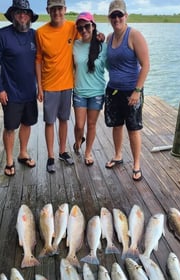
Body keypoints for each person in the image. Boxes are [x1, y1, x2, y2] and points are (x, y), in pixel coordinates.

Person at [0, 0, 38, 176]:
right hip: (10, 92)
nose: (23, 16)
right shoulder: (1, 35)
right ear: (13, 15)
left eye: (26, 13)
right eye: (19, 12)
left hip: (30, 91)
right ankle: (9, 160)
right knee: (10, 127)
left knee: (27, 123)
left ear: (30, 16)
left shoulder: (35, 35)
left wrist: (96, 37)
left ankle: (23, 153)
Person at [105, 0, 150, 181]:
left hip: (132, 91)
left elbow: (146, 65)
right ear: (109, 18)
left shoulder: (134, 36)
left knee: (133, 128)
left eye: (120, 15)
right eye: (113, 16)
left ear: (126, 16)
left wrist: (137, 91)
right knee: (116, 125)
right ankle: (118, 155)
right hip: (113, 90)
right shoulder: (109, 38)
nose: (117, 19)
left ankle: (136, 164)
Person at [35, 0, 78, 173]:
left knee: (64, 119)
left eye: (60, 9)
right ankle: (50, 156)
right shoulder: (40, 32)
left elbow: (88, 36)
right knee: (49, 121)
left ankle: (62, 152)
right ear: (48, 10)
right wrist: (39, 86)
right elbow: (37, 60)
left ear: (65, 10)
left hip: (67, 84)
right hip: (49, 85)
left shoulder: (73, 27)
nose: (57, 12)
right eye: (53, 9)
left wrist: (99, 36)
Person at [72, 12, 107, 166]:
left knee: (91, 125)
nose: (84, 30)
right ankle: (78, 141)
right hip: (79, 91)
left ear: (93, 26)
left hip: (97, 92)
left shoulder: (103, 46)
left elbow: (116, 62)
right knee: (79, 125)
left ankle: (88, 152)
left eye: (87, 26)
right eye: (80, 28)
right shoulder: (74, 45)